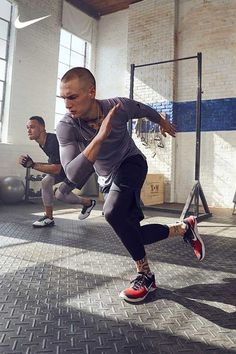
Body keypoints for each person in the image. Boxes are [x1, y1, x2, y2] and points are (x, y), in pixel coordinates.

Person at [56, 67, 205, 303]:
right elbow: (73, 173)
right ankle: (185, 228)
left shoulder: (118, 107)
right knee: (136, 234)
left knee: (112, 212)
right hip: (108, 178)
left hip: (131, 163)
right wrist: (100, 136)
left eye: (72, 96)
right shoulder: (66, 126)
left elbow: (144, 110)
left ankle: (145, 276)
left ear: (91, 92)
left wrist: (162, 122)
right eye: (63, 98)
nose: (67, 104)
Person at [18, 116, 96, 227]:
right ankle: (49, 218)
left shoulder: (52, 141)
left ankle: (88, 203)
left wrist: (33, 165)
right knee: (46, 181)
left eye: (32, 127)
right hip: (67, 166)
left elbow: (56, 169)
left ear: (42, 128)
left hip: (80, 167)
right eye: (27, 128)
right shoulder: (43, 142)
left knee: (60, 195)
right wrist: (33, 164)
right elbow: (55, 165)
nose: (28, 130)